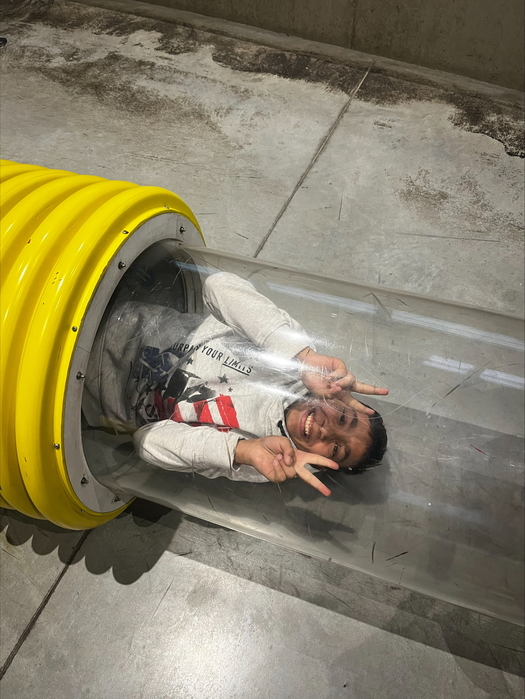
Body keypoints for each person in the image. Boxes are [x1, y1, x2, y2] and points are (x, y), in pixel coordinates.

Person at [83, 271, 389, 496]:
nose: (326, 430)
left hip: (84, 390)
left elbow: (147, 442)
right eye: (343, 419)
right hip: (108, 317)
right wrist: (302, 357)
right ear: (338, 398)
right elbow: (217, 286)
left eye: (335, 448)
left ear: (321, 463)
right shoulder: (295, 359)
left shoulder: (264, 461)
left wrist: (242, 450)